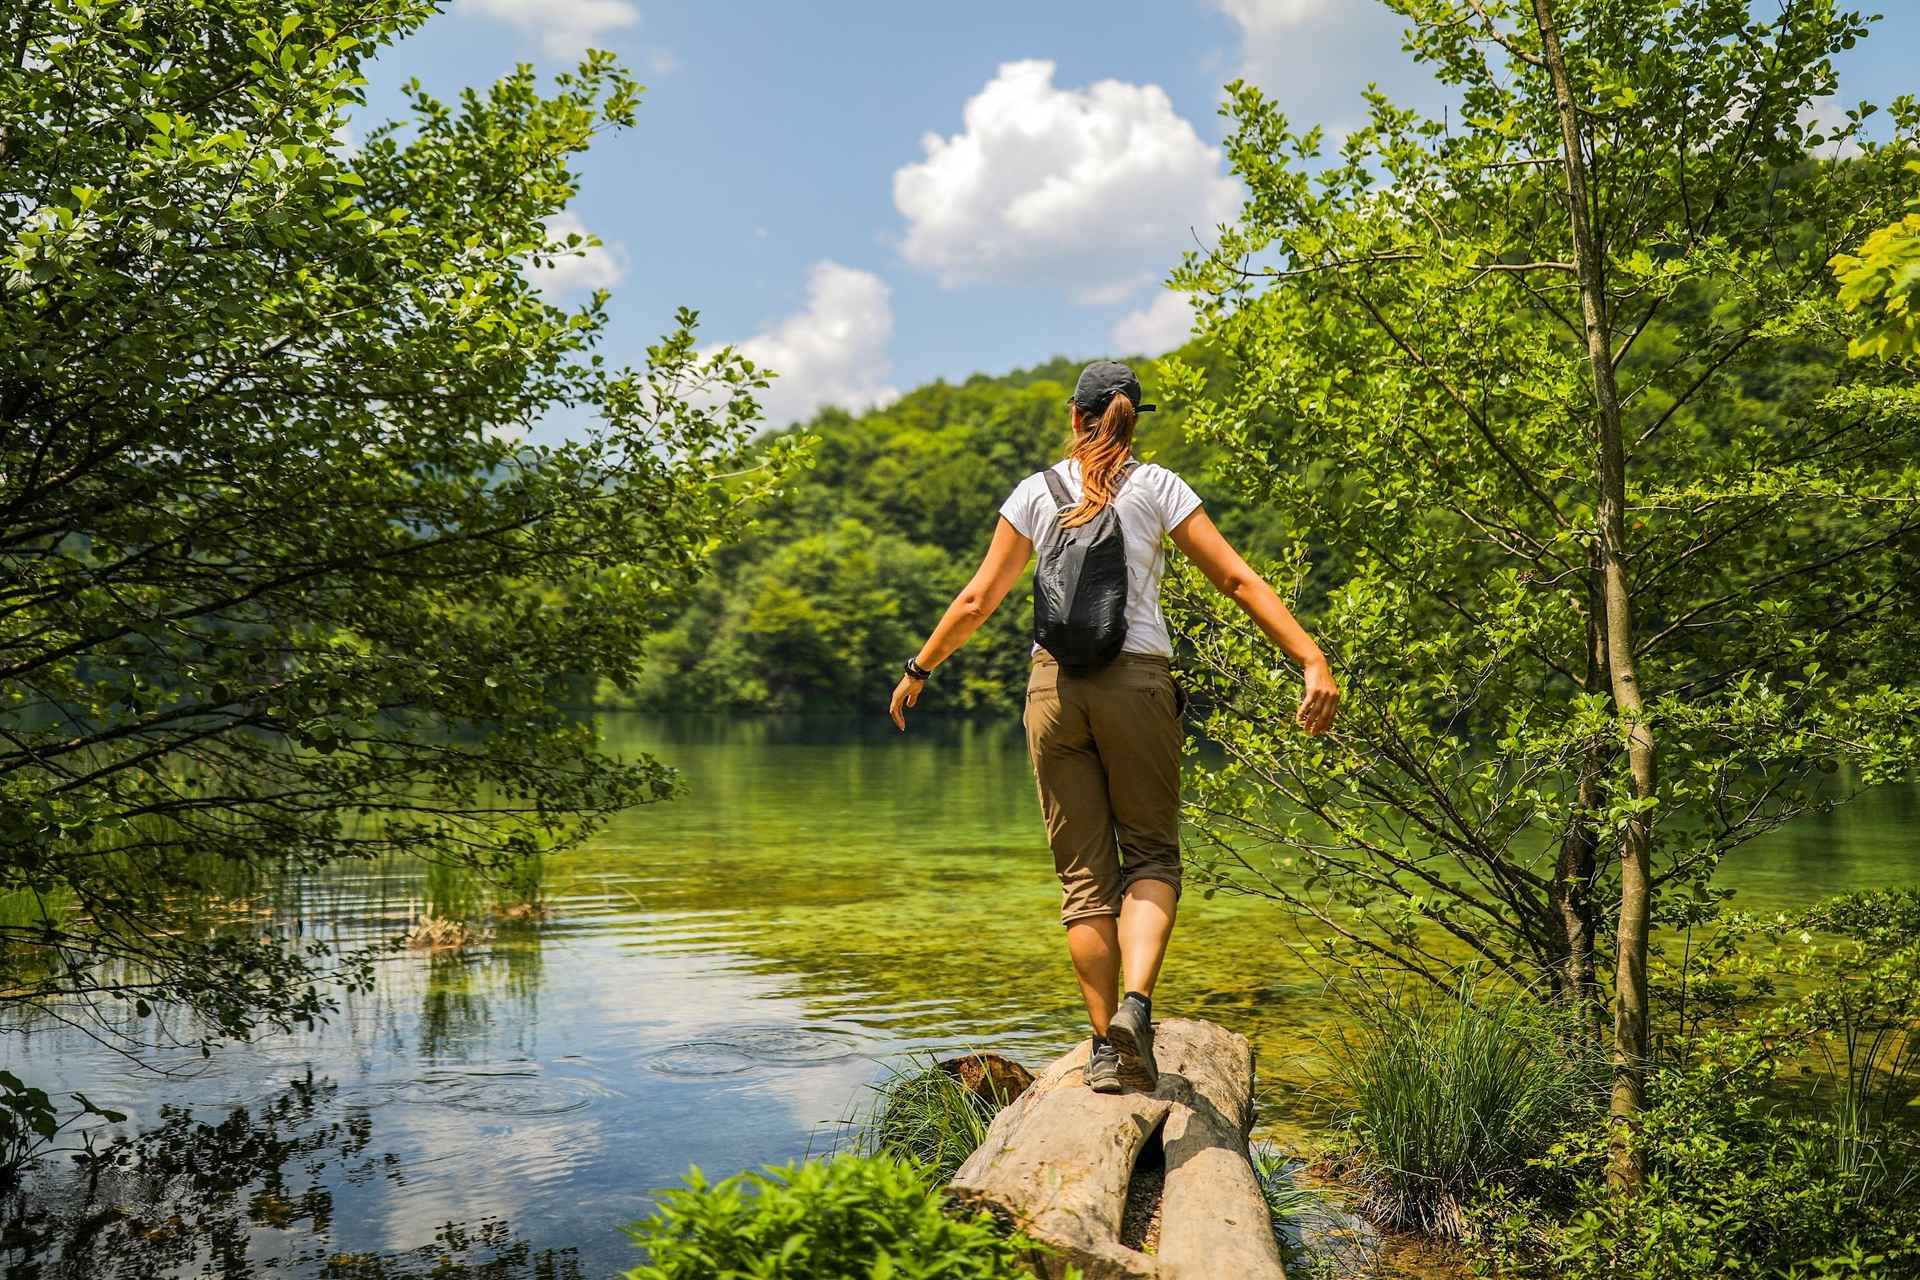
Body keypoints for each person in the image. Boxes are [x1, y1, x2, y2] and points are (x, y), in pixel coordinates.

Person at [887, 359, 1338, 1093]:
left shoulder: (1035, 493)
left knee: (1083, 884)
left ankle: (1104, 1050)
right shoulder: (1157, 488)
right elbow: (1236, 578)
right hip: (1137, 687)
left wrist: (919, 668)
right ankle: (1136, 1008)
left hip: (1055, 693)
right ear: (1132, 418)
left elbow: (978, 599)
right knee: (1152, 858)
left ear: (1075, 416)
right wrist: (1310, 658)